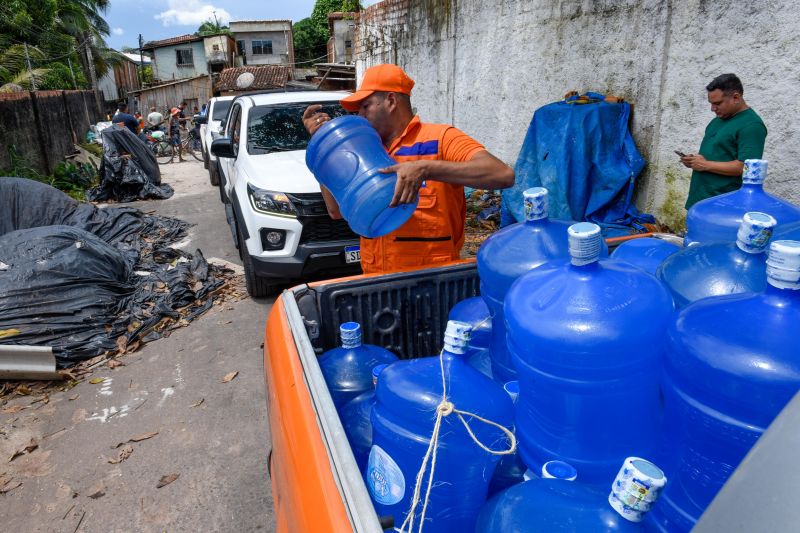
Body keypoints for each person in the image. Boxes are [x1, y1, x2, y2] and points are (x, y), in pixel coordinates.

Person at [302, 63, 514, 275]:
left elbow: (502, 175)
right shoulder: (361, 151)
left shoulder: (439, 139)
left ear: (391, 101)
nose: (360, 115)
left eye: (365, 106)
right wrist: (324, 144)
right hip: (376, 281)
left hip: (432, 282)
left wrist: (426, 169)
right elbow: (335, 211)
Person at [681, 73, 767, 209]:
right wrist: (694, 161)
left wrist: (705, 164)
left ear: (736, 97)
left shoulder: (751, 125)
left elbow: (745, 167)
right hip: (699, 198)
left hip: (723, 204)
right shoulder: (718, 120)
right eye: (711, 104)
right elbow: (718, 154)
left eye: (717, 103)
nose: (713, 109)